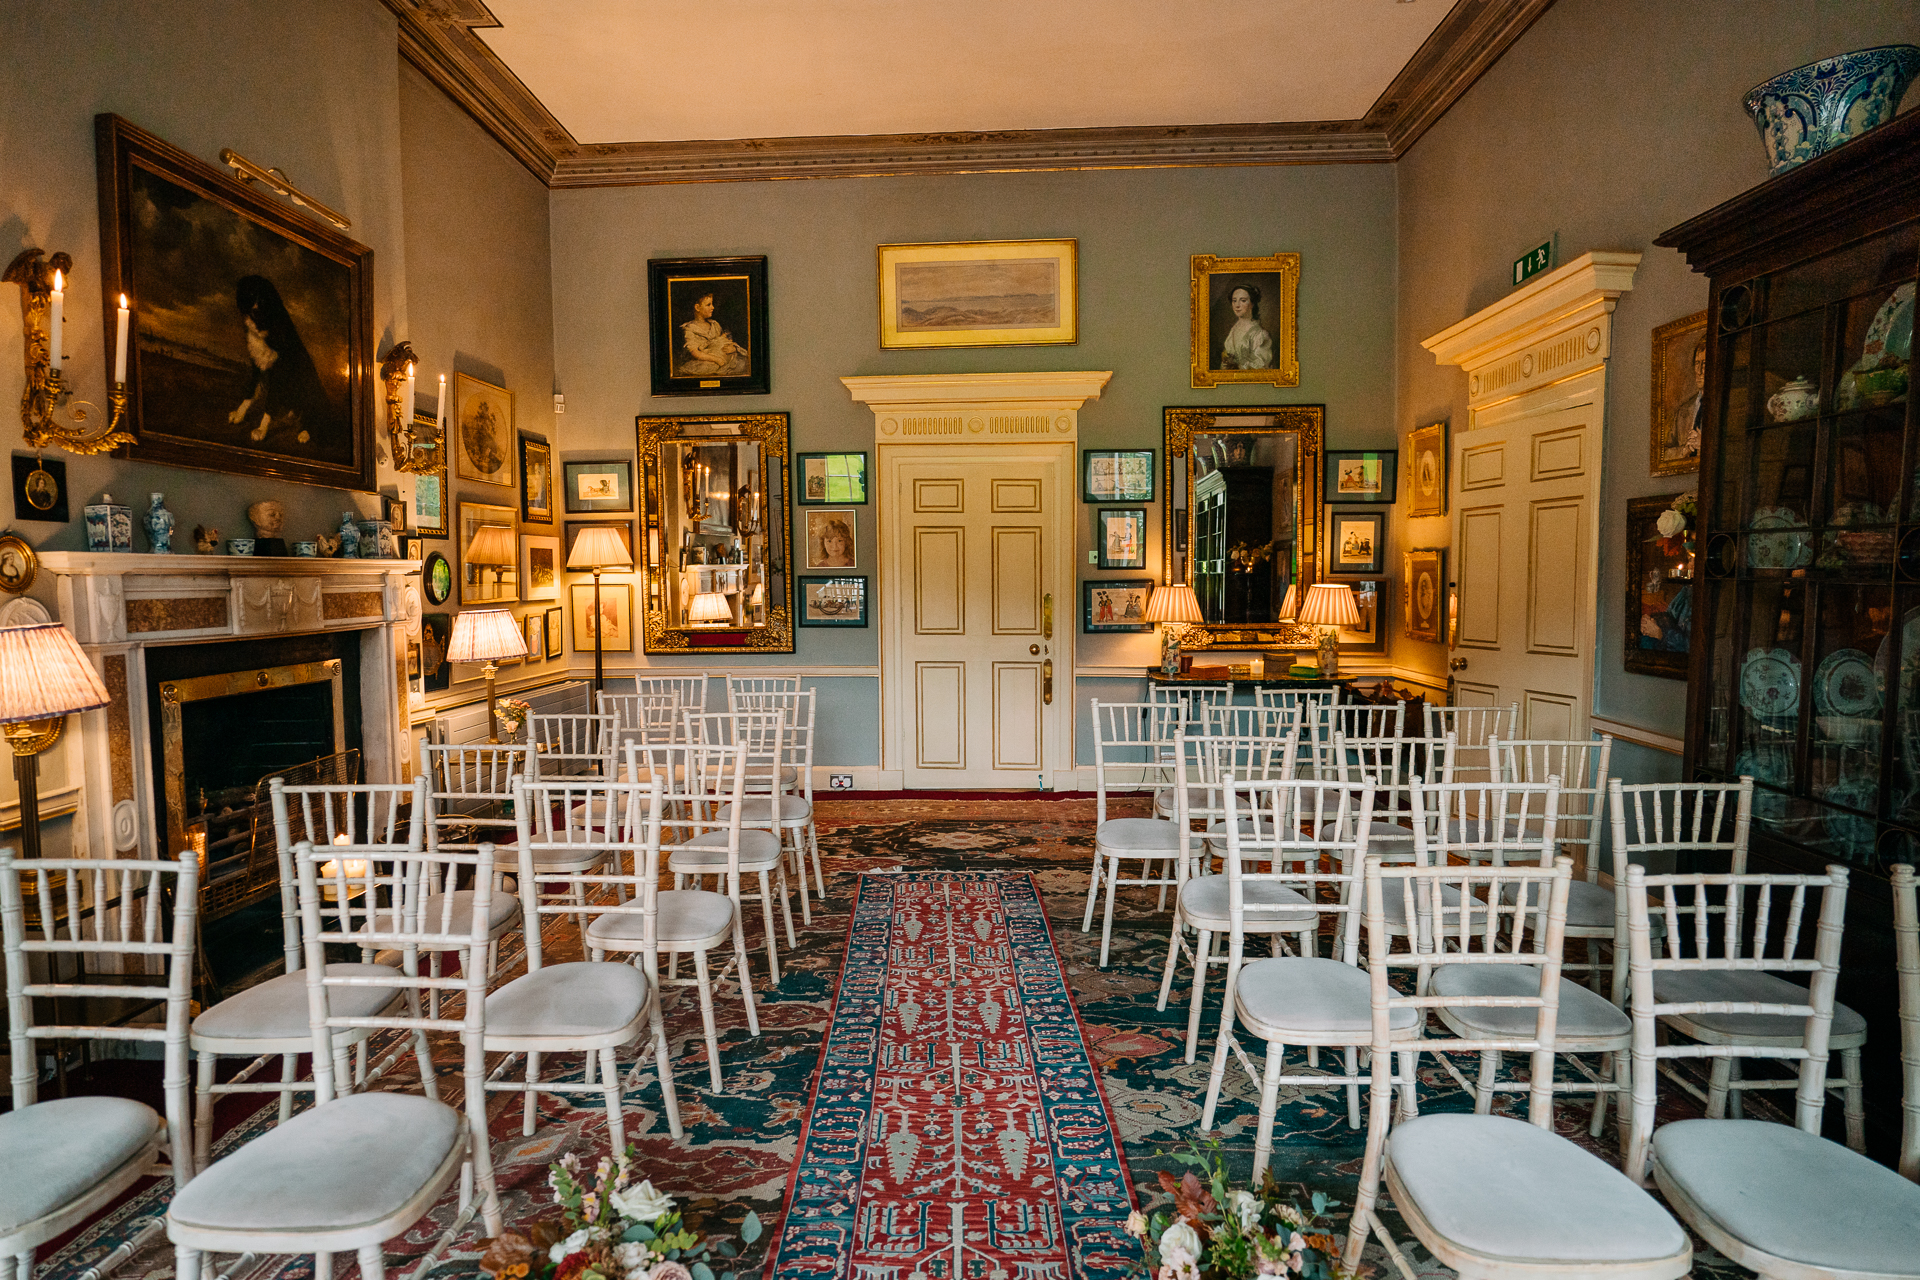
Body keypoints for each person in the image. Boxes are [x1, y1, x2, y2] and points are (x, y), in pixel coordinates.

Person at [227, 275, 342, 454]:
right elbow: (257, 375)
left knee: (309, 404)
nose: (256, 306)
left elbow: (278, 383)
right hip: (287, 396)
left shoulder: (280, 335)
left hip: (301, 396)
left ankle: (308, 427)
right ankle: (245, 412)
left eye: (261, 300)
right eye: (252, 298)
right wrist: (241, 411)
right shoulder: (252, 327)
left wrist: (263, 427)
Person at [677, 292, 749, 377]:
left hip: (726, 359)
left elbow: (725, 340)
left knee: (743, 363)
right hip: (707, 362)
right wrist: (716, 359)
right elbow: (695, 353)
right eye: (708, 305)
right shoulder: (689, 329)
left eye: (712, 304)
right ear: (697, 307)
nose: (713, 307)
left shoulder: (715, 324)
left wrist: (733, 348)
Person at [1218, 284, 1275, 370]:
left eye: (1243, 300)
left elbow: (1262, 367)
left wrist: (1237, 366)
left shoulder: (1260, 334)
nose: (1237, 305)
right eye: (1234, 300)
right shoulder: (1234, 329)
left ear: (1252, 304)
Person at [1667, 338, 1705, 463]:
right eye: (1697, 364)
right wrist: (1684, 451)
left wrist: (1705, 446)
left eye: (1704, 364)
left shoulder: (1728, 405)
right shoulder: (1683, 411)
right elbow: (1664, 453)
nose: (1699, 371)